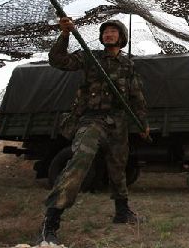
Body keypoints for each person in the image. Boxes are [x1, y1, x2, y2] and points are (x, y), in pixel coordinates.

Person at [38, 17, 150, 245]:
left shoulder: (128, 65)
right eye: (106, 31)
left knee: (118, 168)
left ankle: (122, 212)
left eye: (113, 31)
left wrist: (142, 123)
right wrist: (65, 35)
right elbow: (57, 60)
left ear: (122, 38)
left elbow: (136, 96)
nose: (108, 34)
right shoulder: (90, 57)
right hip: (91, 120)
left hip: (118, 123)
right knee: (79, 161)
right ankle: (51, 221)